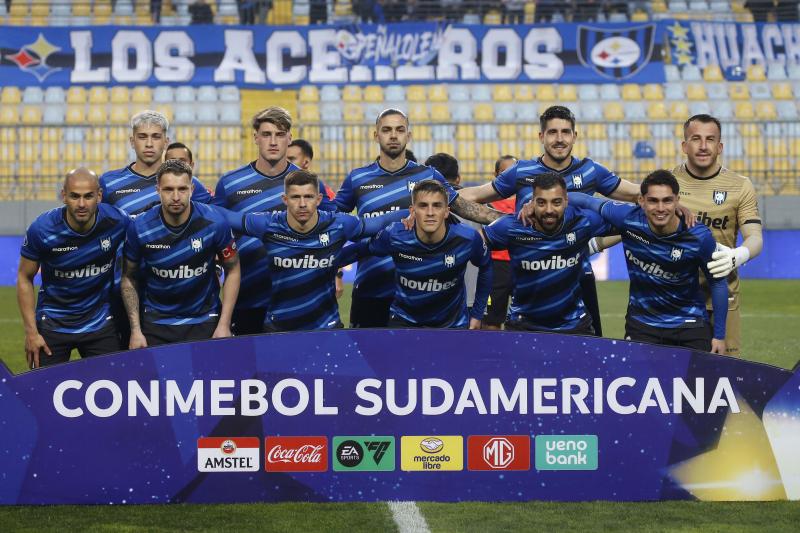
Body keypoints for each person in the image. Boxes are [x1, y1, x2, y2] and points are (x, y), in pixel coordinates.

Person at [459, 105, 692, 337]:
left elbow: (635, 193)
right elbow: (476, 195)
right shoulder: (522, 171)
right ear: (541, 136)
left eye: (565, 132)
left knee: (591, 346)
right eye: (552, 132)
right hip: (531, 275)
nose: (559, 139)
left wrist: (672, 202)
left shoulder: (590, 171)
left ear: (574, 135)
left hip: (578, 277)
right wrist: (449, 198)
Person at [335, 108, 502, 328]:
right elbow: (332, 225)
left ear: (408, 135)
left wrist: (508, 219)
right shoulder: (357, 178)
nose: (393, 135)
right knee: (369, 352)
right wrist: (335, 269)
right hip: (371, 289)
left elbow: (463, 207)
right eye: (386, 130)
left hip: (419, 295)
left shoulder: (428, 176)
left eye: (399, 130)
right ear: (376, 135)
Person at [224, 170, 407, 332]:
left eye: (309, 197)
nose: (302, 203)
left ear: (319, 199)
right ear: (285, 200)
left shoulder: (338, 224)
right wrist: (204, 209)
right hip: (278, 327)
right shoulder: (268, 224)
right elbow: (225, 217)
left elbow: (381, 222)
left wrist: (413, 213)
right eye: (295, 197)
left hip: (327, 327)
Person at [569, 170, 728, 354]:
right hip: (642, 325)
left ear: (677, 201)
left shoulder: (698, 236)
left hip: (689, 322)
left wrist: (719, 336)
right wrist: (546, 199)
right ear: (641, 201)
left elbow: (718, 282)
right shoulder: (627, 217)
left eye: (667, 200)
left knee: (699, 373)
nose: (660, 208)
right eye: (653, 201)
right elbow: (586, 201)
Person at [212, 107, 337, 336]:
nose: (273, 141)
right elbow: (213, 231)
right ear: (255, 137)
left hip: (297, 302)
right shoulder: (230, 184)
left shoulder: (309, 185)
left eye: (279, 134)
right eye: (266, 134)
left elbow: (332, 232)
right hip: (247, 298)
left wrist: (336, 274)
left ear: (289, 138)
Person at [17, 168, 129, 368]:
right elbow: (25, 277)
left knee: (115, 384)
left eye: (88, 196)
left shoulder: (117, 221)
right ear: (64, 196)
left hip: (100, 323)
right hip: (53, 323)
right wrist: (31, 333)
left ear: (99, 196)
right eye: (75, 196)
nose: (82, 204)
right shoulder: (42, 229)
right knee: (42, 387)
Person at [122, 160, 240, 348]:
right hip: (156, 322)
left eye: (182, 189)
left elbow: (233, 269)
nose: (176, 197)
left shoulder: (215, 222)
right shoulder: (139, 227)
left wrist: (224, 324)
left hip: (205, 319)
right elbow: (129, 277)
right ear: (157, 190)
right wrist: (135, 330)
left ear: (192, 189)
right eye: (168, 189)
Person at [672, 114, 763, 357]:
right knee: (675, 374)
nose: (703, 146)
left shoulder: (740, 186)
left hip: (723, 295)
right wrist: (596, 243)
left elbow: (755, 238)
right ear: (684, 146)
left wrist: (737, 255)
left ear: (720, 147)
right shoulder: (668, 183)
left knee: (724, 375)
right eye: (696, 139)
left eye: (710, 139)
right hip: (677, 297)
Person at [483, 172, 614, 334]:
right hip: (523, 327)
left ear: (566, 201)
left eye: (556, 202)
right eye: (541, 203)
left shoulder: (583, 221)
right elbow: (471, 245)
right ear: (532, 202)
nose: (549, 210)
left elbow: (626, 220)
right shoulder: (511, 226)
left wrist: (583, 200)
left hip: (575, 327)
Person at [360, 179, 492, 329]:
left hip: (452, 325)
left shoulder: (467, 238)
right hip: (404, 321)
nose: (430, 213)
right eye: (423, 206)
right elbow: (361, 249)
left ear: (446, 211)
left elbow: (486, 266)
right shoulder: (395, 236)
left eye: (437, 206)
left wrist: (477, 314)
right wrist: (338, 268)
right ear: (412, 211)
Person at [100, 111, 211, 217]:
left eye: (156, 137)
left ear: (166, 142)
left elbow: (212, 219)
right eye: (142, 137)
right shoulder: (108, 182)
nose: (149, 144)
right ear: (132, 142)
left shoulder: (187, 181)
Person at [424, 152, 481, 314]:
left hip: (432, 297)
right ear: (458, 178)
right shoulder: (480, 207)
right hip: (473, 296)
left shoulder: (421, 210)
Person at [484, 155, 517, 330]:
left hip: (522, 263)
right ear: (496, 175)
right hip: (496, 266)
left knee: (523, 319)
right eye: (505, 172)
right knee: (491, 320)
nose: (510, 176)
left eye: (514, 171)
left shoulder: (529, 201)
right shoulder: (486, 203)